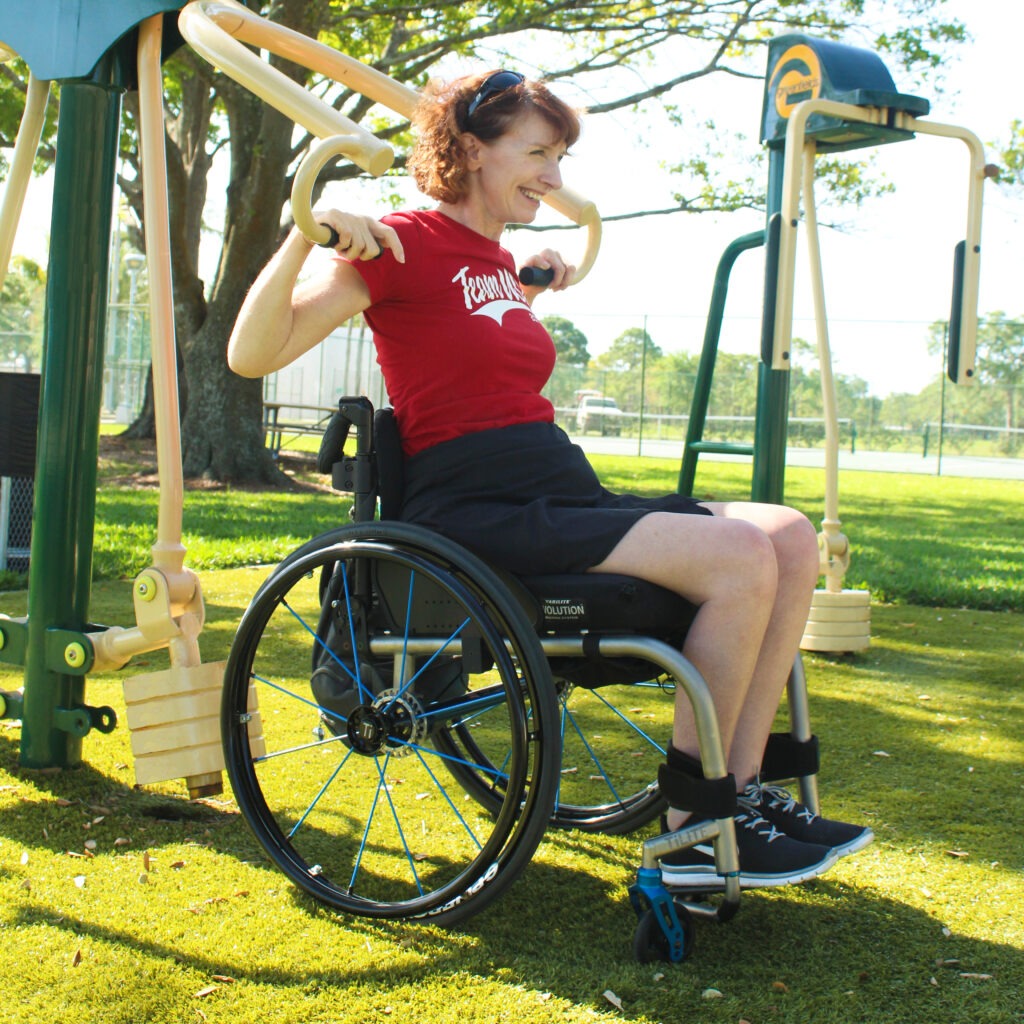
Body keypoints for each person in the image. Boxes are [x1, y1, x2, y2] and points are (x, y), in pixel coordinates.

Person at [228, 69, 872, 889]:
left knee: (786, 533)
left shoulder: (492, 258)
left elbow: (474, 347)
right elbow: (250, 355)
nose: (556, 178)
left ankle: (737, 798)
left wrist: (528, 280)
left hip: (552, 480)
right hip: (477, 504)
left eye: (559, 157)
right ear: (469, 150)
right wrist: (311, 231)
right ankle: (695, 826)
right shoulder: (397, 241)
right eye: (537, 153)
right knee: (741, 556)